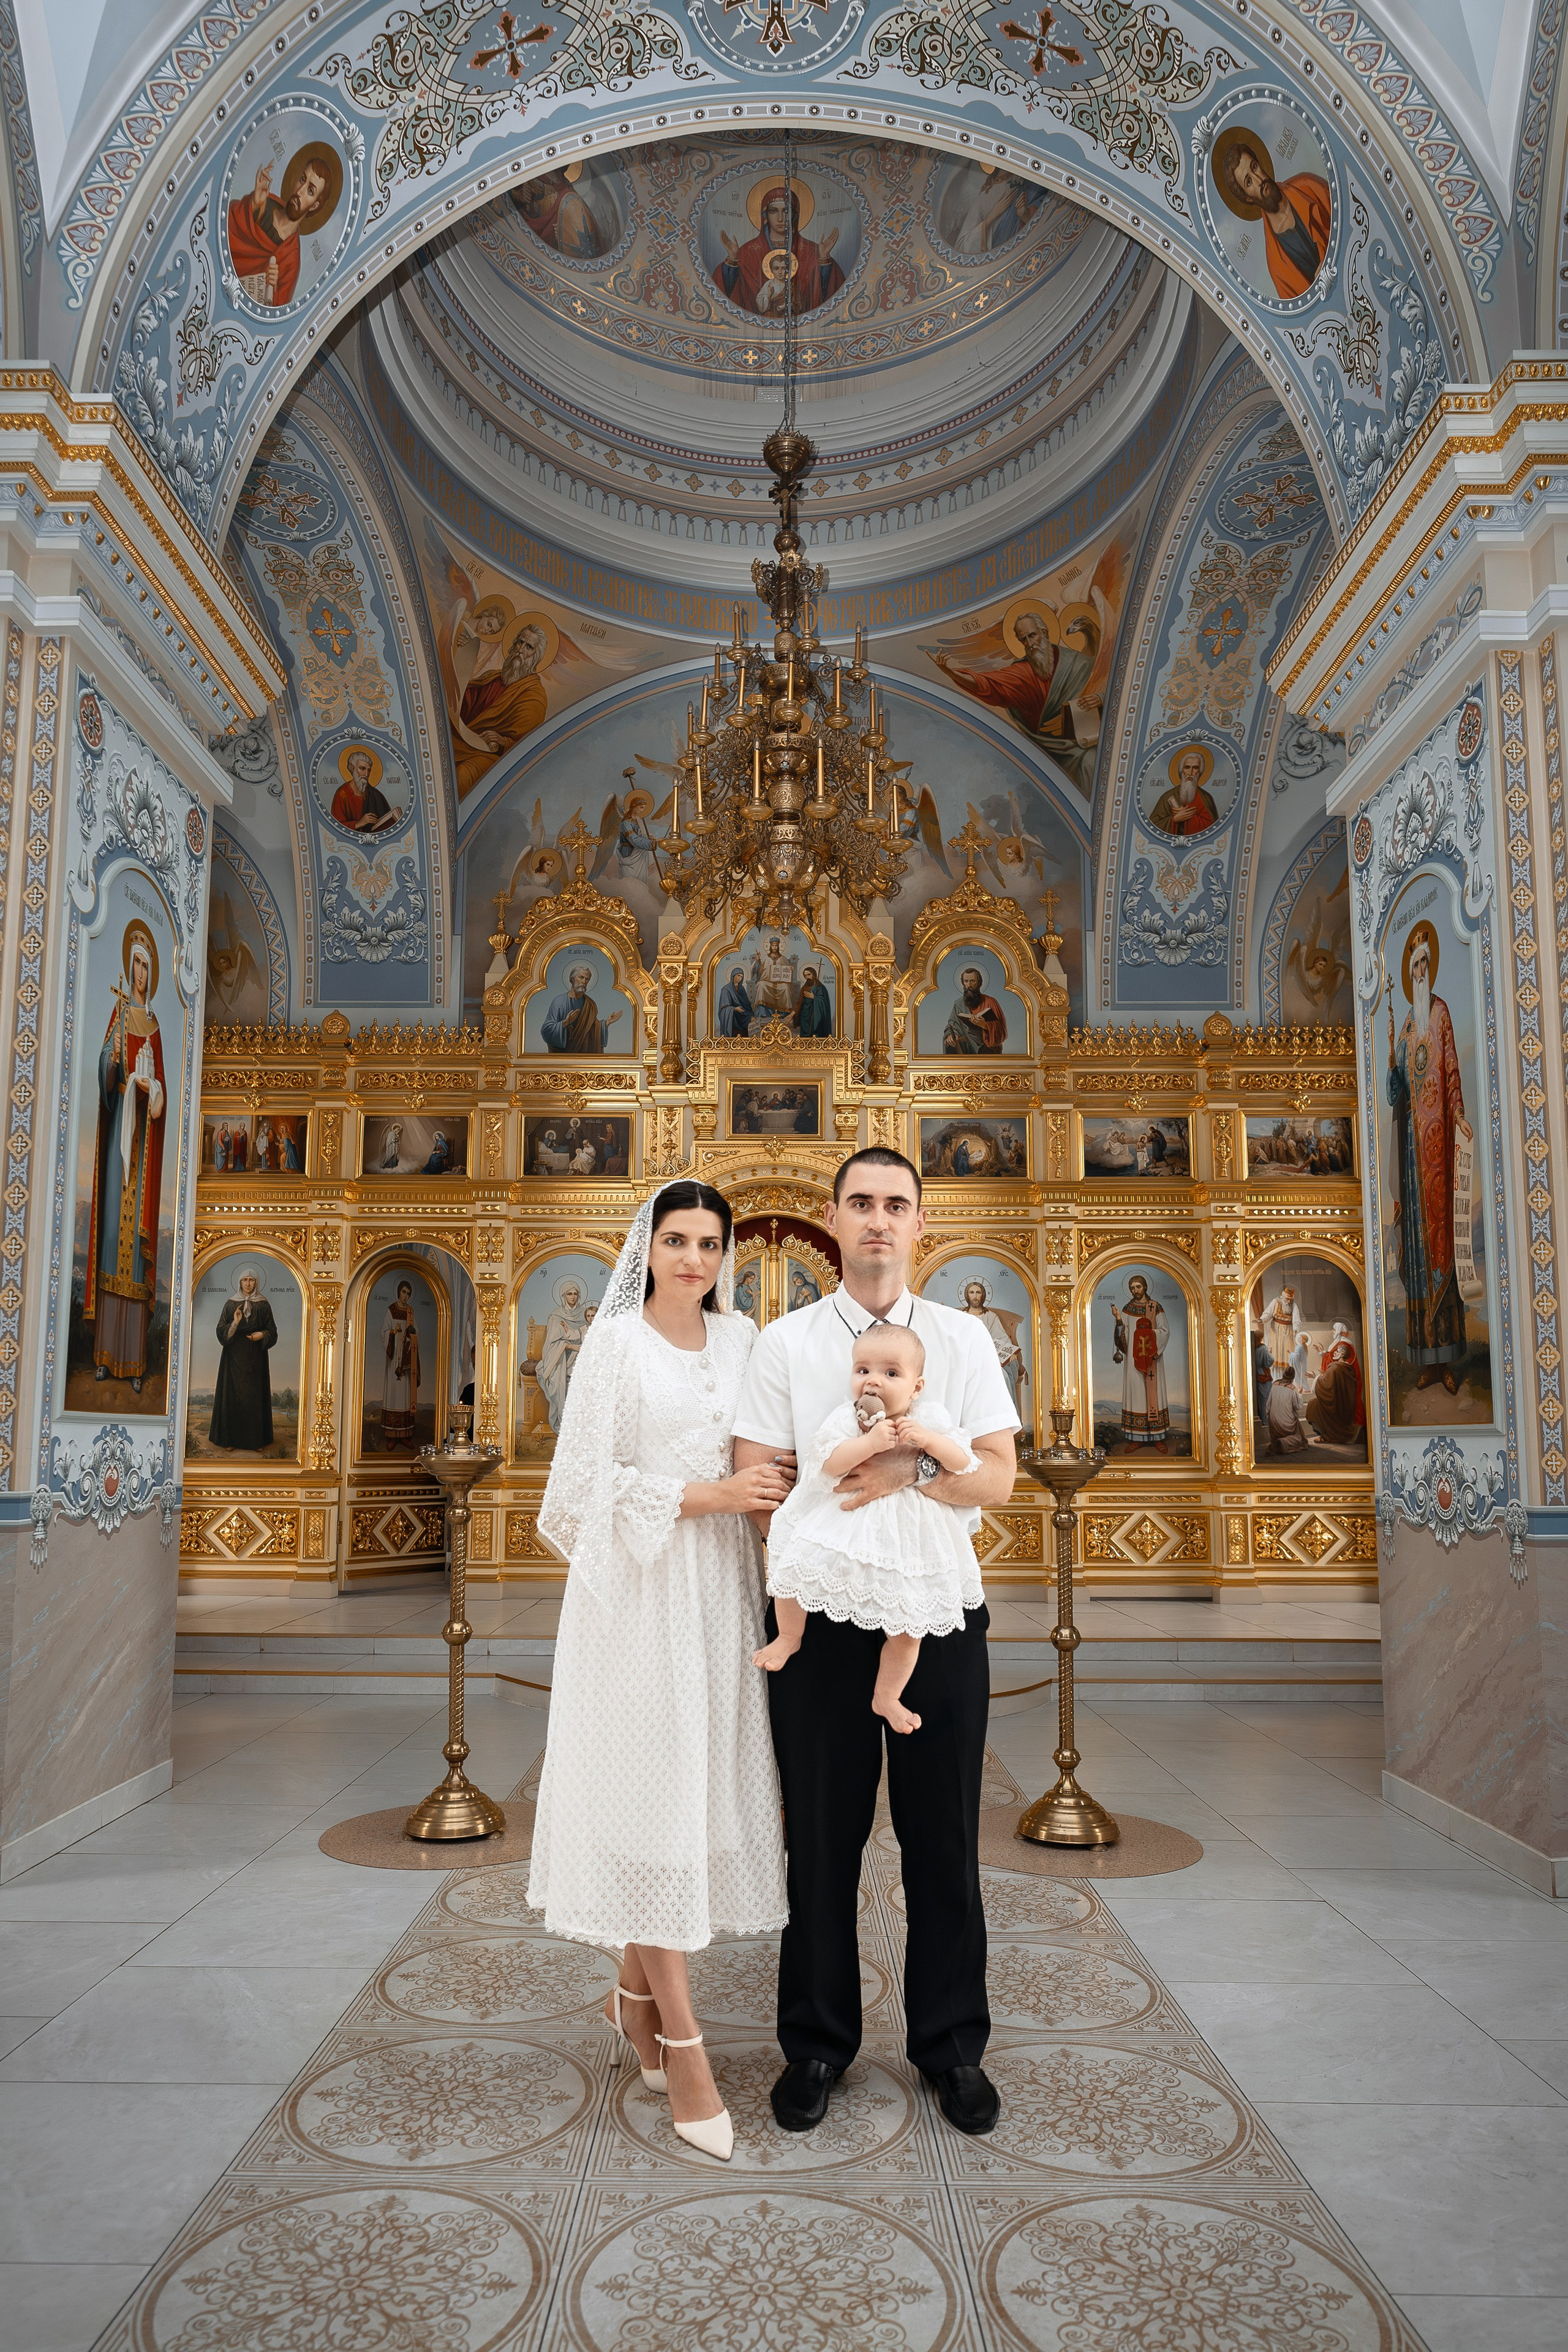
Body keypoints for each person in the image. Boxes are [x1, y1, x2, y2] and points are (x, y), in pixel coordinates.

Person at [733, 1148, 1019, 2141]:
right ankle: (815, 2043)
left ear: (920, 1222)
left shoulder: (962, 1337)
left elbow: (996, 1479)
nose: (879, 1221)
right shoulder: (786, 1342)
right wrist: (820, 1570)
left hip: (934, 1615)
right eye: (861, 1203)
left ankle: (952, 2049)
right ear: (831, 1217)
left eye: (897, 1204)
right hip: (820, 1621)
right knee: (820, 1841)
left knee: (942, 1839)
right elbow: (760, 1484)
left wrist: (904, 1479)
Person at [530, 1181, 793, 2164]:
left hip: (722, 1593)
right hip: (637, 1594)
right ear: (649, 1246)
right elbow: (578, 1491)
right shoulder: (614, 1345)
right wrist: (709, 1492)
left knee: (695, 1795)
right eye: (677, 1240)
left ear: (728, 1252)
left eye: (710, 1242)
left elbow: (771, 1455)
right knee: (646, 1800)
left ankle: (633, 1995)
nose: (694, 1258)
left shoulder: (744, 1341)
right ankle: (684, 2048)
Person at [755, 1321, 977, 1733]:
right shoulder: (848, 1419)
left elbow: (962, 1462)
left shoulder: (929, 1418)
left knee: (910, 1628)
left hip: (910, 1539)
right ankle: (789, 1637)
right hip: (848, 1525)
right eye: (863, 1371)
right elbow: (829, 1463)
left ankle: (887, 1696)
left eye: (891, 1373)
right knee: (792, 1572)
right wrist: (870, 1443)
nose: (873, 1380)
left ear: (916, 1386)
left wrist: (928, 1441)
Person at [1388, 919, 1470, 1393]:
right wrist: (1393, 1072)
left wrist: (1458, 1113)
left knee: (1442, 1252)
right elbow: (1395, 1092)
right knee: (1418, 1254)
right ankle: (1425, 1358)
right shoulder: (1404, 1026)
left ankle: (1447, 1359)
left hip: (1437, 1151)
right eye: (1414, 965)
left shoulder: (1439, 1015)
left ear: (1430, 968)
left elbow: (1453, 1066)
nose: (1419, 971)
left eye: (1424, 963)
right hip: (1411, 1157)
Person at [87, 924, 167, 1391]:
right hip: (121, 1131)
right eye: (136, 962)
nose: (140, 972)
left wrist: (151, 1087)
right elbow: (106, 1074)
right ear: (128, 967)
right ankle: (104, 1356)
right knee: (114, 1230)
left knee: (135, 1251)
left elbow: (163, 1095)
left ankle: (133, 1363)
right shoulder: (119, 1014)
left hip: (145, 1144)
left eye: (146, 965)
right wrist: (114, 1064)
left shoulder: (154, 1027)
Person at [226, 144, 339, 306]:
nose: (300, 191)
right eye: (302, 180)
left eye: (310, 191)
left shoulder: (290, 261)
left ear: (314, 206)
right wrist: (253, 207)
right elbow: (222, 224)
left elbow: (272, 315)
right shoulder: (265, 201)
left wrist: (271, 286)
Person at [1221, 137, 1331, 301]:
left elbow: (1349, 214)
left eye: (1254, 167)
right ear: (1248, 199)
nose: (1259, 181)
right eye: (1249, 182)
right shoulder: (1277, 264)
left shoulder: (1308, 186)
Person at [714, 184, 844, 315]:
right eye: (774, 211)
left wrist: (825, 259)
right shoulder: (748, 251)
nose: (781, 218)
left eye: (787, 211)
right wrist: (732, 259)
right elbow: (731, 290)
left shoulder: (811, 250)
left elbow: (826, 292)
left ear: (795, 214)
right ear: (765, 215)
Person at [453, 623, 548, 796]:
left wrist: (503, 741)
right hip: (464, 741)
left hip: (495, 756)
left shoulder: (534, 695)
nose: (521, 650)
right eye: (520, 642)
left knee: (463, 774)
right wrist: (459, 650)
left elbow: (528, 748)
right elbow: (461, 702)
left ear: (536, 657)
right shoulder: (494, 677)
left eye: (529, 647)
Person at [208, 1268, 277, 1449]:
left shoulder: (263, 1305)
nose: (248, 1284)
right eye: (245, 1280)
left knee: (254, 1397)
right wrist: (236, 1322)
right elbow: (220, 1332)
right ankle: (230, 1441)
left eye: (251, 1280)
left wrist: (262, 1334)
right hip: (233, 1358)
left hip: (256, 1358)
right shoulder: (231, 1305)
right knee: (233, 1397)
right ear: (239, 1282)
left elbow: (273, 1331)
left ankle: (255, 1442)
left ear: (257, 1282)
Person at [1111, 1275, 1169, 1452]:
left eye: (1138, 1287)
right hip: (1134, 1363)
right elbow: (1125, 1336)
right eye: (1132, 1288)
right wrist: (1120, 1320)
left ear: (1145, 1287)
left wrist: (1149, 1339)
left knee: (1154, 1395)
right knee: (1136, 1395)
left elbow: (1164, 1331)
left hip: (1153, 1360)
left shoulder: (1155, 1307)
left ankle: (1157, 1438)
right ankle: (1137, 1439)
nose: (1135, 1291)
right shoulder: (1128, 1308)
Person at [960, 1279, 1024, 1415]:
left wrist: (1008, 1354)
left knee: (1001, 1376)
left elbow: (1002, 1340)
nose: (975, 1296)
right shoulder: (961, 1317)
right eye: (972, 1293)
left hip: (991, 1359)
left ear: (983, 1295)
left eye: (978, 1292)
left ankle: (1003, 1417)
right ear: (967, 1295)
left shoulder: (991, 1317)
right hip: (968, 1359)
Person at [1306, 1321, 1365, 1447]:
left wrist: (1316, 1378)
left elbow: (1328, 1380)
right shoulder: (1343, 1360)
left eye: (1334, 1330)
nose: (1335, 1353)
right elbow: (1331, 1361)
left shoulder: (1342, 1349)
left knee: (1313, 1405)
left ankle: (1329, 1435)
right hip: (1339, 1392)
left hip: (1334, 1396)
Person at [542, 963, 624, 1053]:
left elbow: (593, 1028)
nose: (584, 982)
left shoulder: (590, 1004)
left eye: (587, 979)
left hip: (584, 1050)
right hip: (563, 1053)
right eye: (581, 977)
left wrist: (606, 1024)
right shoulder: (559, 1002)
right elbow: (547, 1030)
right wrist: (565, 1023)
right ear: (573, 979)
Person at [380, 1278, 420, 1450]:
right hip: (394, 1357)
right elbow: (384, 1332)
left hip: (406, 1359)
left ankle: (404, 1436)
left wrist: (412, 1334)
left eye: (408, 1293)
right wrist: (393, 1332)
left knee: (404, 1396)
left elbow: (417, 1333)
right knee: (393, 1395)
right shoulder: (391, 1310)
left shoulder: (411, 1312)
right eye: (404, 1292)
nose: (406, 1296)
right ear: (399, 1292)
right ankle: (391, 1437)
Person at [1147, 746, 1220, 837]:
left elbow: (1214, 829)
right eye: (1187, 767)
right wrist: (1174, 820)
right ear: (1181, 770)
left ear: (1200, 772)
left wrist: (1190, 817)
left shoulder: (1206, 798)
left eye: (1195, 768)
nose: (1190, 773)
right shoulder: (1167, 797)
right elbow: (1153, 826)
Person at [330, 745, 398, 833]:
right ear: (352, 768)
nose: (366, 774)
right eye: (362, 769)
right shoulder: (342, 795)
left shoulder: (377, 796)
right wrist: (358, 824)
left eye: (369, 770)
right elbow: (335, 827)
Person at [943, 967, 1007, 1055]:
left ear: (979, 983)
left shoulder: (990, 1002)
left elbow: (1001, 1030)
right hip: (966, 1047)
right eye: (966, 981)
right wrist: (951, 1035)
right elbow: (952, 1025)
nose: (969, 985)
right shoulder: (959, 1004)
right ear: (963, 983)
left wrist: (985, 1026)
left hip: (987, 1047)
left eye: (972, 981)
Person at [1264, 1363, 1310, 1453]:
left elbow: (1268, 1406)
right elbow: (1298, 1406)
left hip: (1273, 1424)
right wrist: (1300, 1394)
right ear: (1293, 1377)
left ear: (1284, 1374)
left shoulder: (1275, 1385)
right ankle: (1284, 1442)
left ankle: (1277, 1442)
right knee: (1300, 1439)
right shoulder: (1293, 1389)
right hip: (1287, 1425)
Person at [1261, 1283, 1303, 1376]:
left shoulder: (1294, 1306)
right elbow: (1268, 1314)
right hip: (1276, 1332)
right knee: (1276, 1354)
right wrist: (1261, 1319)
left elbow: (1296, 1320)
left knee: (1289, 1354)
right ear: (1283, 1297)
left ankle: (1288, 1375)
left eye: (1291, 1300)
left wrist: (1295, 1330)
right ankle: (1276, 1377)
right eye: (1287, 1299)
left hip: (1288, 1332)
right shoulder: (1276, 1302)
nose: (1288, 1302)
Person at [793, 965, 833, 1038]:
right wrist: (792, 1014)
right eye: (805, 976)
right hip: (805, 1016)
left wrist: (815, 997)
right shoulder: (804, 987)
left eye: (809, 975)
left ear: (814, 975)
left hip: (816, 1016)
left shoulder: (821, 987)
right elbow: (800, 1002)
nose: (807, 977)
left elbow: (824, 1003)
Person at [717, 966, 755, 1038]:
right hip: (733, 1019)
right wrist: (734, 1009)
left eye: (741, 977)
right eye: (738, 976)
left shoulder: (742, 989)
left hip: (743, 1016)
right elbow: (724, 1009)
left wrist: (751, 1016)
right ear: (733, 975)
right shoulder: (726, 990)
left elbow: (747, 1005)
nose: (739, 978)